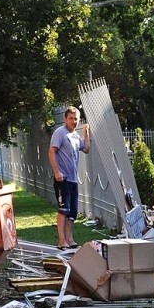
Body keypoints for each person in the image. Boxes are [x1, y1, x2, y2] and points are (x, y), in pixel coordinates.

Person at [48, 106, 90, 249]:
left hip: (73, 179)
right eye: (71, 118)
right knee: (63, 210)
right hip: (63, 179)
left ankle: (70, 239)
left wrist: (86, 133)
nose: (73, 121)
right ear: (65, 119)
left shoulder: (75, 136)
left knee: (72, 212)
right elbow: (51, 151)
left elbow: (86, 149)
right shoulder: (60, 133)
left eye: (76, 118)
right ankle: (61, 241)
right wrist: (57, 172)